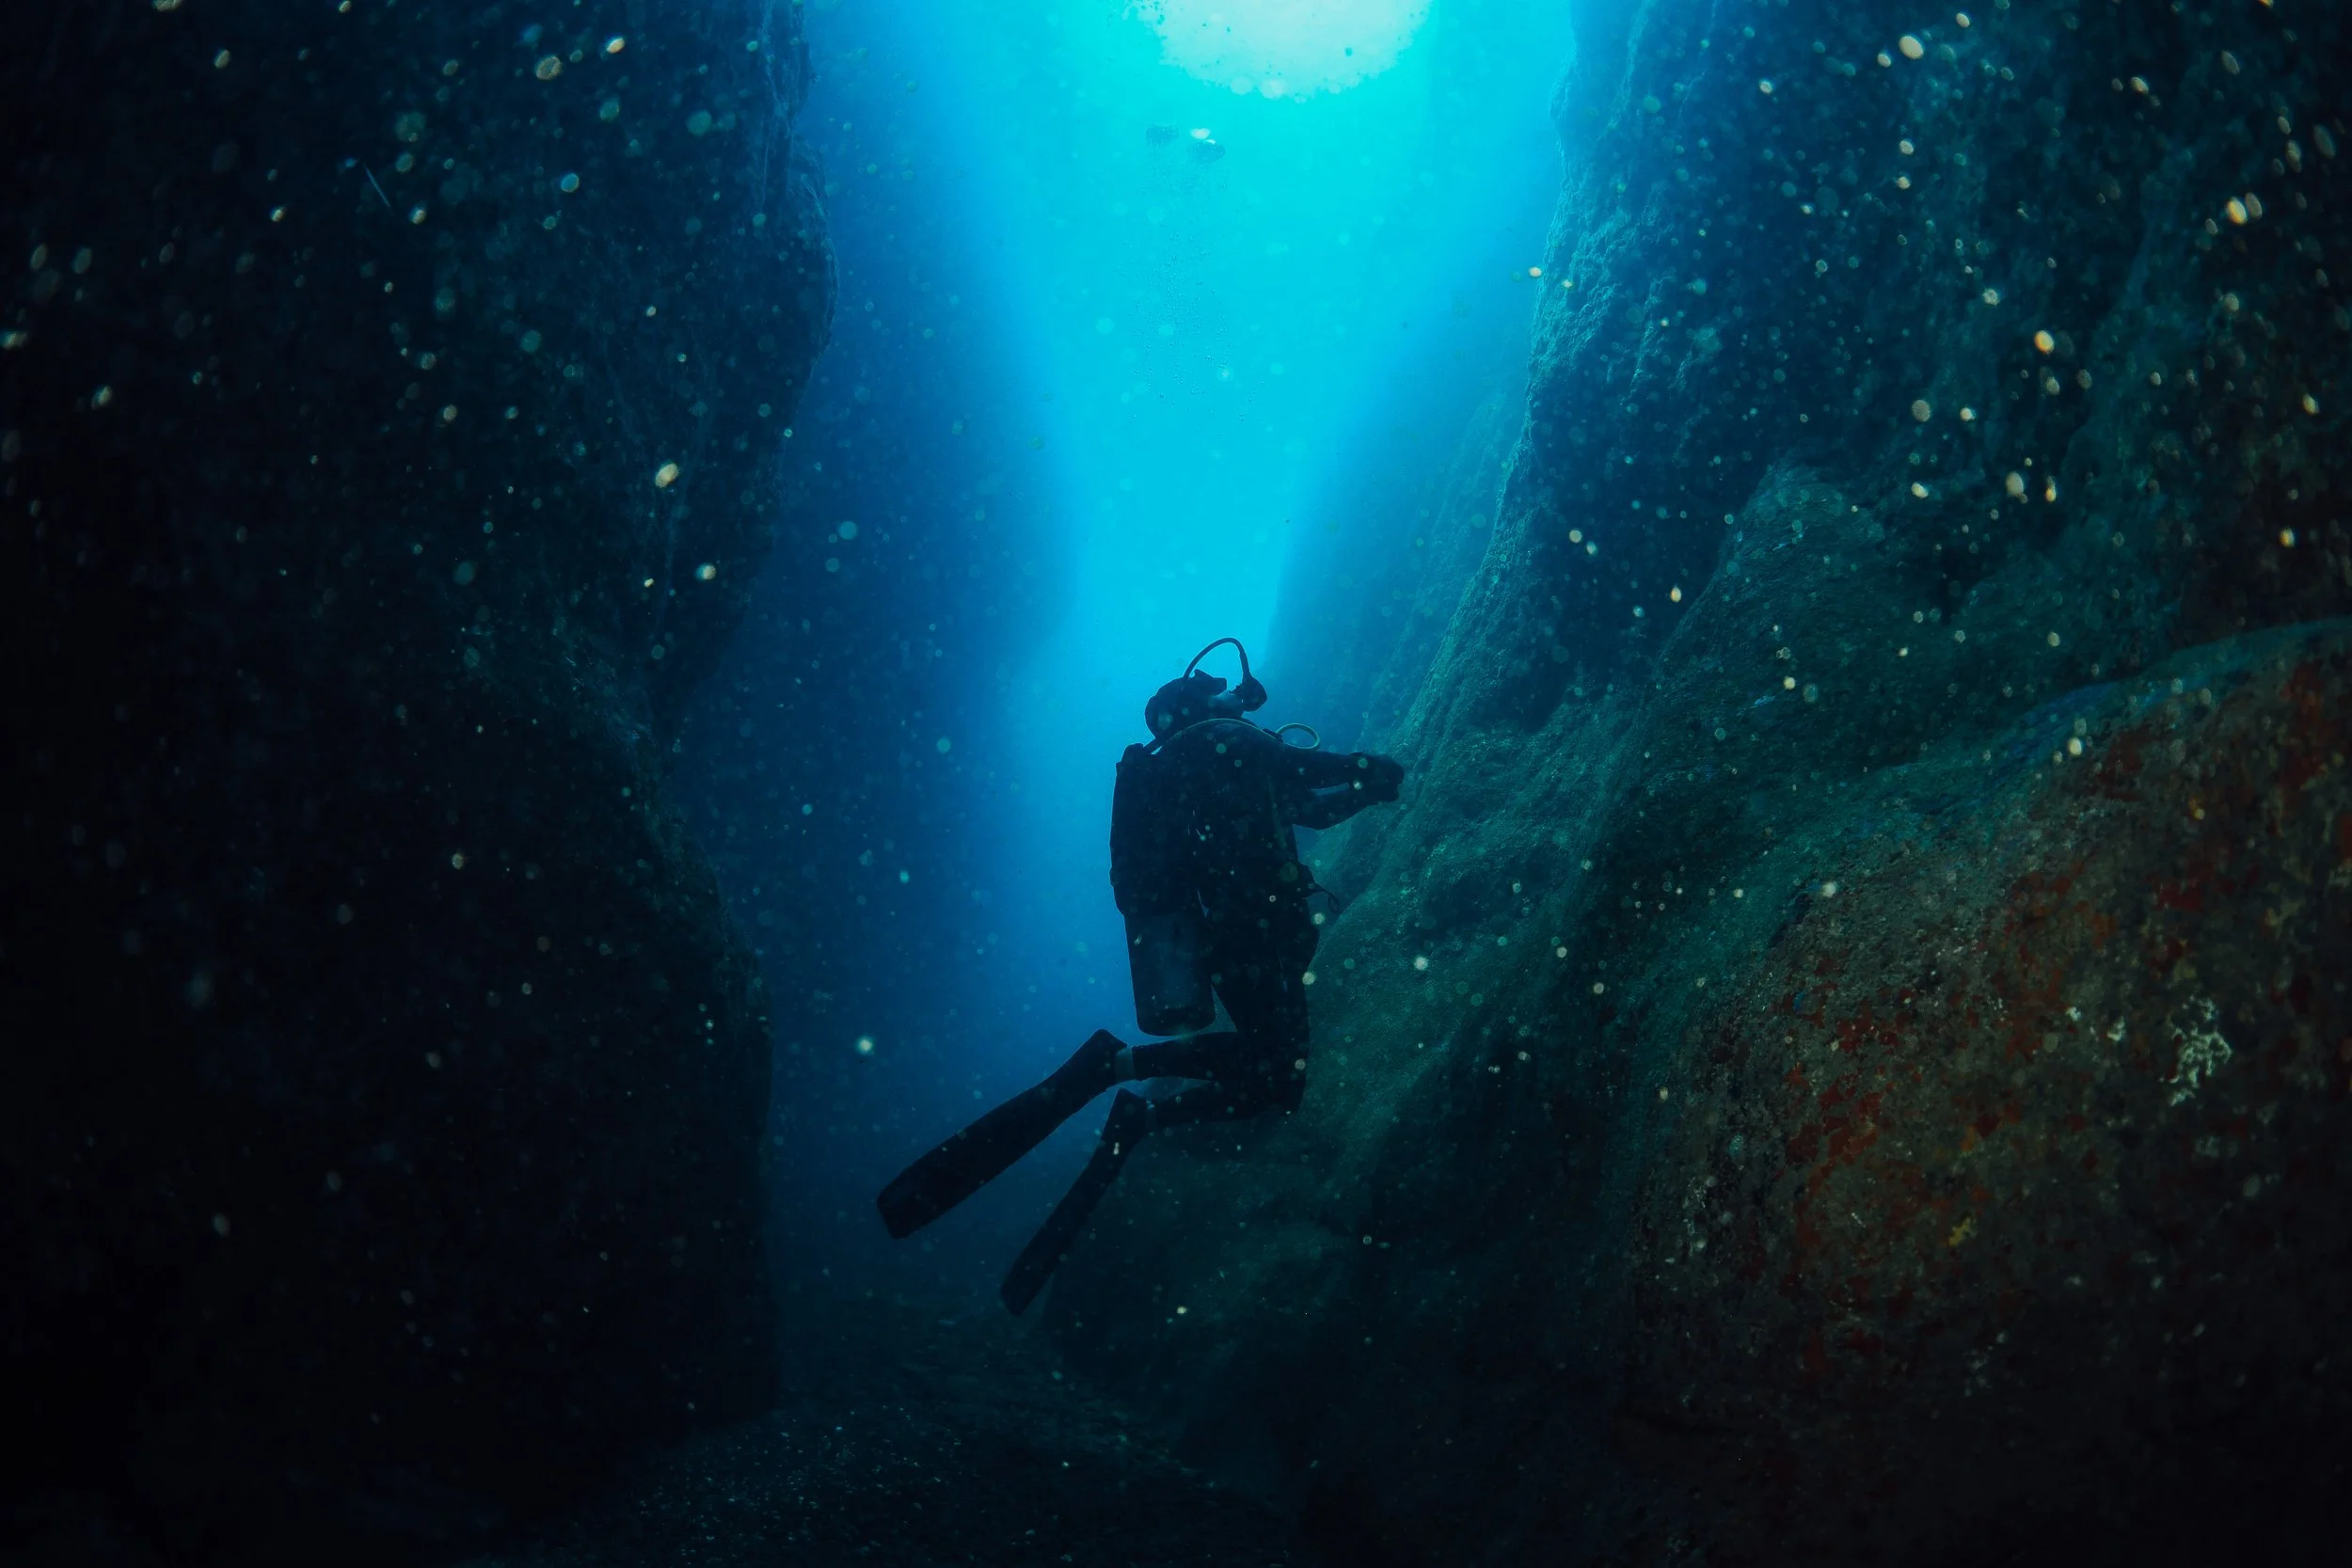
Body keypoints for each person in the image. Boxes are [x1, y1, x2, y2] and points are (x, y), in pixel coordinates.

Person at [876, 639, 1406, 1313]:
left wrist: (1366, 792)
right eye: (1219, 691)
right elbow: (1303, 765)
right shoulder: (1221, 743)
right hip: (1245, 935)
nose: (1232, 697)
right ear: (1196, 709)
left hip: (1238, 936)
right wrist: (1373, 768)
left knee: (1277, 1080)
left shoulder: (1210, 763)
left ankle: (1137, 1100)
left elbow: (1312, 803)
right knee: (1277, 1071)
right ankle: (1115, 1072)